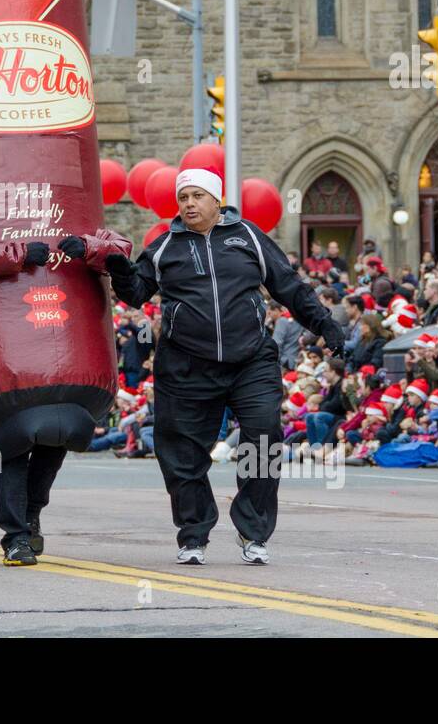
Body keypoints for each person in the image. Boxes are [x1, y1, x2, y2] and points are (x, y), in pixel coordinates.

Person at [104, 166, 345, 567]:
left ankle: (253, 531)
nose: (189, 204)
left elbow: (289, 285)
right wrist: (119, 269)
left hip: (250, 360)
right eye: (183, 198)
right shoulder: (166, 246)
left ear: (217, 200)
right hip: (186, 365)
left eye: (198, 196)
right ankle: (193, 534)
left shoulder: (247, 236)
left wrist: (325, 324)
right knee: (181, 452)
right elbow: (136, 292)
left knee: (264, 436)